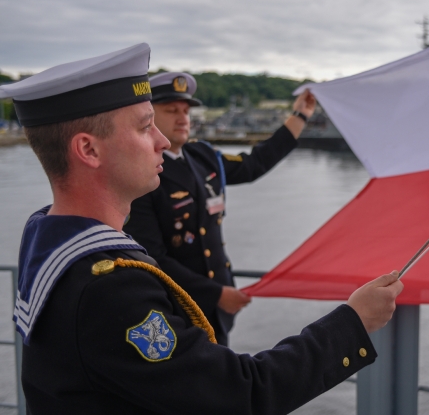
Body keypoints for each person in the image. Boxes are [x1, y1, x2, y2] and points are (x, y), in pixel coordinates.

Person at [1, 43, 403, 415]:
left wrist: (299, 116)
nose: (162, 139)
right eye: (144, 126)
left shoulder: (51, 241)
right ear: (88, 149)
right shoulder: (107, 289)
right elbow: (246, 393)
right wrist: (353, 322)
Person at [123, 71, 312, 346]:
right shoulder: (142, 175)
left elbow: (253, 164)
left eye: (186, 110)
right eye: (171, 110)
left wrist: (300, 116)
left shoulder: (204, 157)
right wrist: (216, 294)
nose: (182, 118)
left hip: (218, 309)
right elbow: (153, 258)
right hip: (177, 310)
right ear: (149, 118)